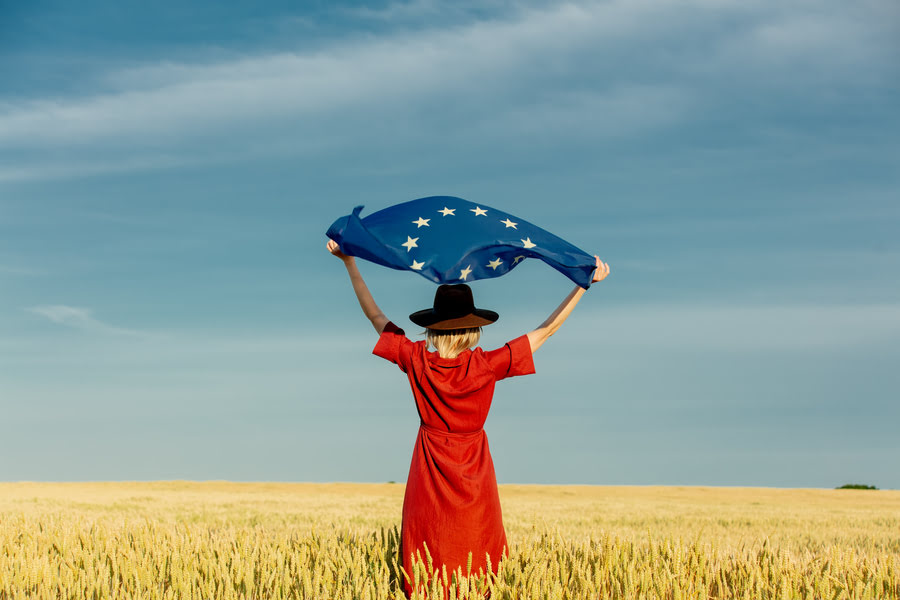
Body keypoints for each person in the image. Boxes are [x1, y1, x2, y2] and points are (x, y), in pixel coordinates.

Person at [326, 239, 610, 594]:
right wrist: (581, 285)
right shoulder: (487, 365)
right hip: (473, 463)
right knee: (477, 539)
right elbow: (547, 331)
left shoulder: (416, 359)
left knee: (428, 535)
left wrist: (349, 261)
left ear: (431, 328)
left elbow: (374, 315)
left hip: (429, 462)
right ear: (474, 329)